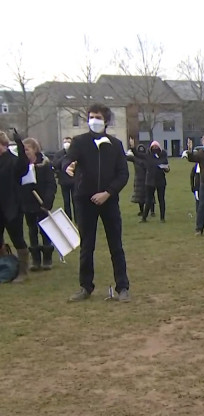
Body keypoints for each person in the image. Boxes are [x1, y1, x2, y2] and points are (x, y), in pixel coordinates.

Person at [63, 103, 131, 302]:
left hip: (109, 201)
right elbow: (68, 160)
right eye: (91, 117)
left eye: (99, 117)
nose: (94, 120)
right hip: (85, 200)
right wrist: (68, 166)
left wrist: (108, 193)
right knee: (87, 245)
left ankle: (123, 287)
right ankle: (85, 287)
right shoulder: (79, 142)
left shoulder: (115, 145)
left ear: (106, 121)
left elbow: (123, 174)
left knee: (116, 245)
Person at [20, 138, 57, 271]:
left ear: (34, 149)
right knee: (32, 230)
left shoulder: (44, 165)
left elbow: (51, 184)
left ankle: (47, 258)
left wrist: (47, 201)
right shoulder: (22, 166)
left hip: (42, 203)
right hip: (28, 203)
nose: (25, 152)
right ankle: (35, 260)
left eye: (27, 149)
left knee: (45, 230)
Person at [0, 130, 31, 283]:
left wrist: (19, 143)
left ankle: (23, 271)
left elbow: (23, 166)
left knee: (17, 238)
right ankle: (5, 267)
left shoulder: (12, 161)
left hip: (12, 206)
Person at [137, 141, 170, 223]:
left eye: (156, 147)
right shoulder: (148, 156)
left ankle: (162, 218)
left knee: (161, 199)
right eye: (153, 147)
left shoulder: (163, 155)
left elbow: (166, 167)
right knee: (148, 200)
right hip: (150, 181)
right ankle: (144, 218)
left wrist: (166, 169)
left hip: (160, 180)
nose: (155, 148)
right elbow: (137, 155)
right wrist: (132, 147)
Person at [52, 137, 76, 222]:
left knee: (75, 201)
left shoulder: (75, 152)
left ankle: (77, 219)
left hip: (74, 181)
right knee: (66, 201)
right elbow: (55, 164)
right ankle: (68, 218)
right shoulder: (59, 154)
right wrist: (64, 157)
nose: (67, 143)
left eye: (68, 142)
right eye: (65, 142)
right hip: (64, 181)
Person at [126, 137, 152, 217]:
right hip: (139, 179)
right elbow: (125, 157)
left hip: (147, 178)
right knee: (140, 197)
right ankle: (142, 211)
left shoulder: (146, 158)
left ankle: (152, 211)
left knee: (149, 195)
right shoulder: (135, 158)